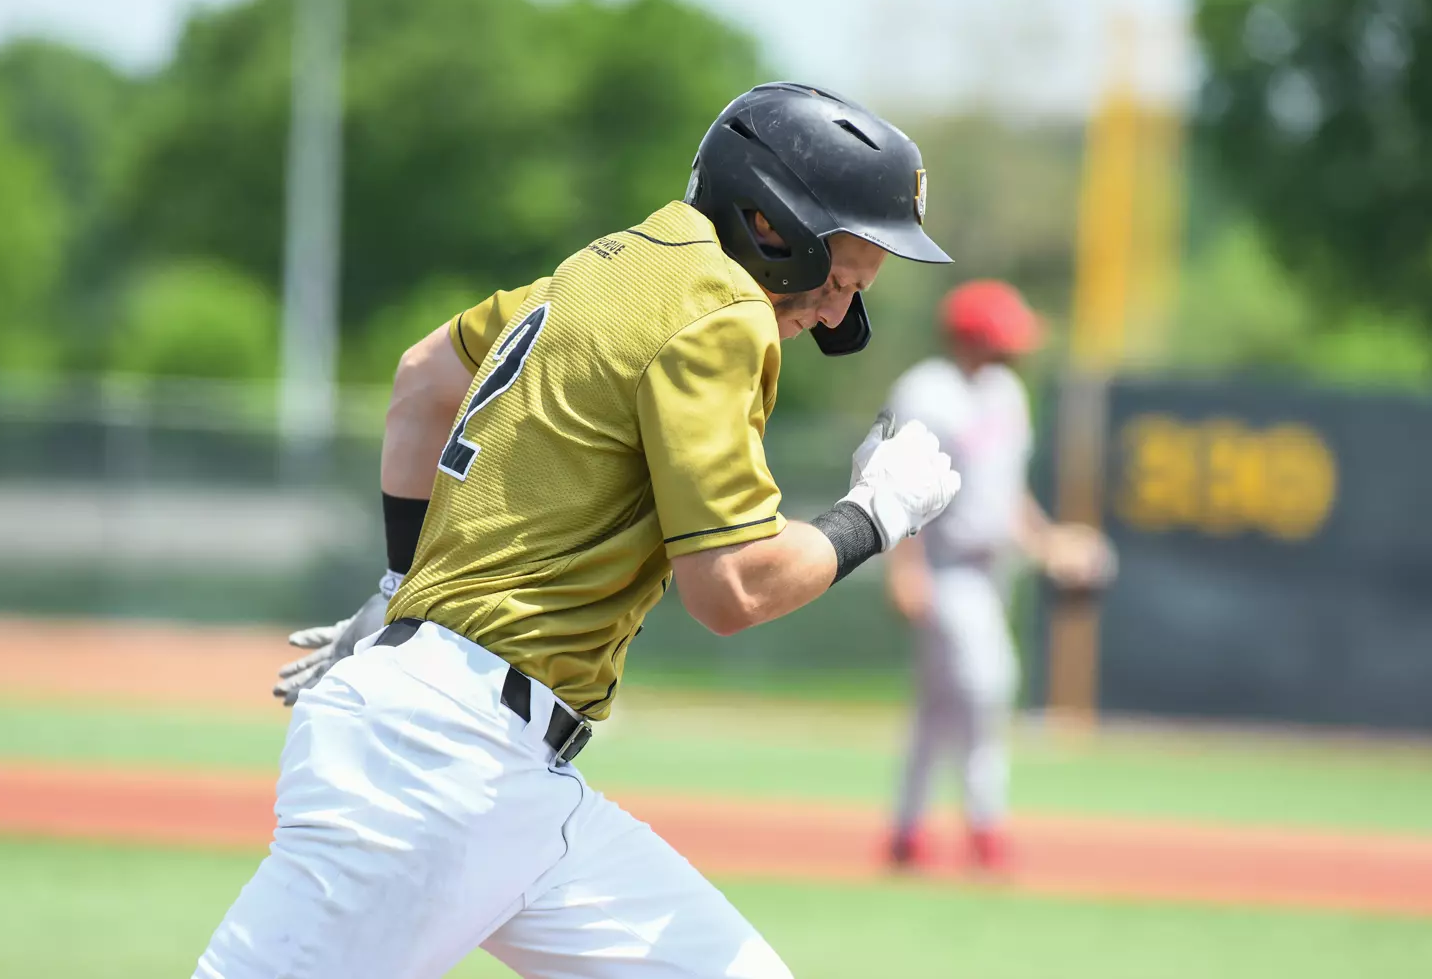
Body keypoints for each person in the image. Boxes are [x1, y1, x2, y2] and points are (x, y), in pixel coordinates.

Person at [195, 82, 962, 979]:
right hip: (444, 765)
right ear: (771, 221)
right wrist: (878, 512)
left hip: (502, 775)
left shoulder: (600, 265)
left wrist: (401, 589)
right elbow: (736, 586)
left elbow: (418, 383)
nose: (835, 313)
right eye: (840, 279)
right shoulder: (722, 308)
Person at [882, 280, 1115, 872]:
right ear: (968, 337)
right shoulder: (926, 391)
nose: (1013, 352)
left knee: (939, 708)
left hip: (991, 570)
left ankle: (907, 832)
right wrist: (904, 568)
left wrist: (1048, 543)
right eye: (1001, 339)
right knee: (989, 685)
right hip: (943, 566)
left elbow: (1006, 495)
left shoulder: (1006, 393)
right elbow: (895, 486)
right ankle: (986, 827)